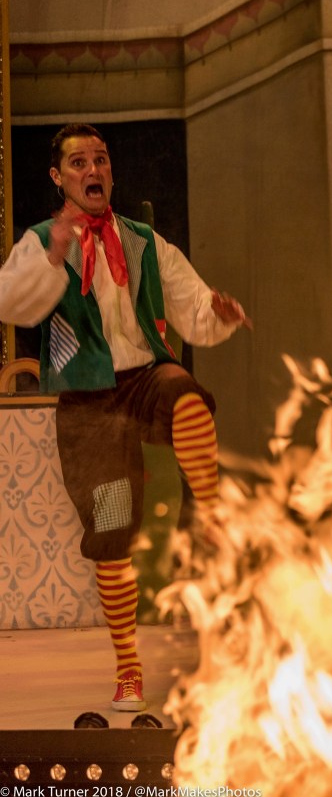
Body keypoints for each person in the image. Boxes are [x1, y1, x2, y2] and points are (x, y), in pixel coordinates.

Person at [0, 123, 248, 712]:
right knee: (112, 534)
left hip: (144, 380)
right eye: (79, 162)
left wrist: (218, 313)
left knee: (185, 394)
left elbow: (191, 305)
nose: (94, 170)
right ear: (59, 177)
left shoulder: (143, 241)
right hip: (90, 400)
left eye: (101, 159)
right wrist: (56, 253)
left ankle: (212, 520)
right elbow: (14, 304)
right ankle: (129, 669)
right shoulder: (42, 241)